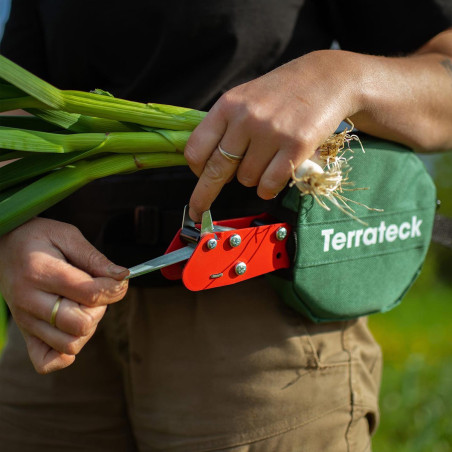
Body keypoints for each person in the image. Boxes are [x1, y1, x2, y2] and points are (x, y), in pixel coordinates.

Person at [0, 1, 451, 451]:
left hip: (264, 335)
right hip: (57, 329)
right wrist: (14, 226)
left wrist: (339, 77)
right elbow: (15, 110)